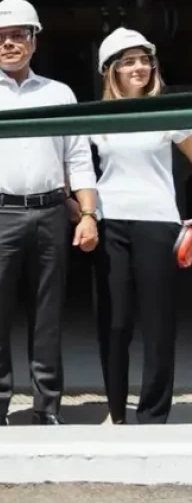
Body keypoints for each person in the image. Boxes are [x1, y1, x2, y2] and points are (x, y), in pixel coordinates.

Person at [0, 0, 99, 427]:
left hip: (51, 211)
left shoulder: (59, 93)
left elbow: (78, 158)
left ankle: (47, 408)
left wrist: (88, 214)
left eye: (18, 35)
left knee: (48, 313)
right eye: (0, 37)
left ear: (34, 40)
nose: (9, 44)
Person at [90, 27, 192, 425]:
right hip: (110, 222)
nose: (139, 68)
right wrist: (81, 212)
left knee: (158, 325)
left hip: (158, 222)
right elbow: (75, 169)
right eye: (129, 61)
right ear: (111, 70)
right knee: (115, 323)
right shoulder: (94, 117)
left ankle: (153, 416)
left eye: (144, 60)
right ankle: (115, 412)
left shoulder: (166, 112)